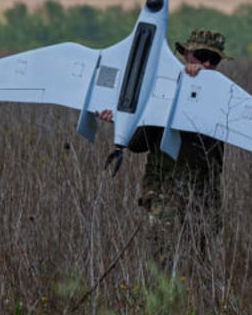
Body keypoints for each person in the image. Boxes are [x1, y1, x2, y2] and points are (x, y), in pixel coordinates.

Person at [96, 29, 231, 264]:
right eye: (200, 56)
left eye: (214, 60)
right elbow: (139, 143)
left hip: (204, 194)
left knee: (203, 265)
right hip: (164, 192)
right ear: (186, 55)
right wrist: (121, 122)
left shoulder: (223, 95)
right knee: (162, 262)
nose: (206, 64)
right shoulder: (165, 88)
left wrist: (196, 89)